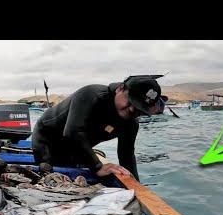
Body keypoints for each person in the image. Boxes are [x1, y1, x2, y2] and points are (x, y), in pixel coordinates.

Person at [31, 75, 164, 181]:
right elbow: (73, 131)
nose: (131, 109)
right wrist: (97, 166)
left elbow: (126, 154)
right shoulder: (91, 95)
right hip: (47, 140)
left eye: (138, 109)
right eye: (130, 102)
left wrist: (135, 185)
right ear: (120, 89)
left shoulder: (131, 123)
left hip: (76, 150)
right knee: (48, 177)